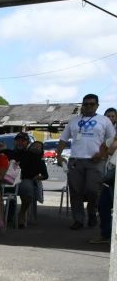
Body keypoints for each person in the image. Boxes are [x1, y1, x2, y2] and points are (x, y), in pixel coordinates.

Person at [56, 94, 116, 230]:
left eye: (92, 104)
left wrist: (102, 154)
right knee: (75, 192)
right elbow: (63, 140)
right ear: (82, 105)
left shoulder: (104, 120)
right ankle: (78, 219)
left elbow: (112, 141)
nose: (89, 106)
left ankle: (92, 212)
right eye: (86, 104)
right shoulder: (73, 121)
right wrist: (58, 155)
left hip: (96, 161)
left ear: (97, 105)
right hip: (76, 160)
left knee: (93, 190)